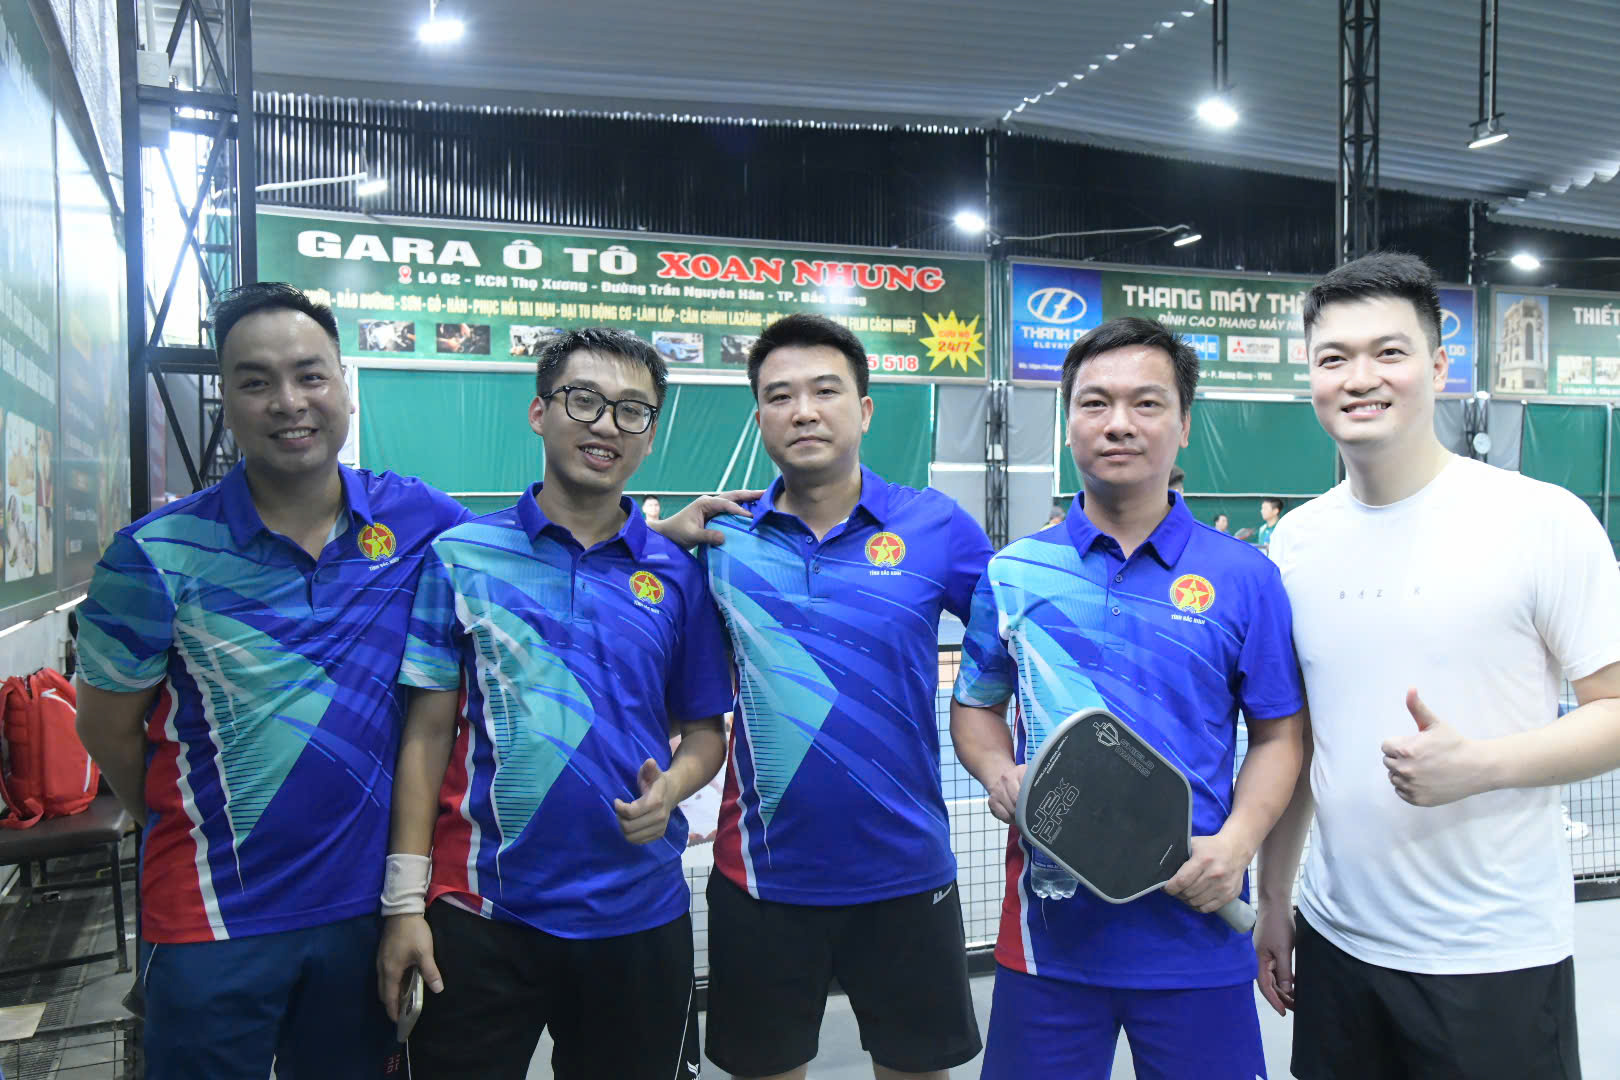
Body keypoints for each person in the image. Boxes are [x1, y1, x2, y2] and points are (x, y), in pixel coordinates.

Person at [73, 283, 471, 1079]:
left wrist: (659, 536)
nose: (289, 402)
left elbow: (526, 557)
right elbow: (106, 729)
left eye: (310, 375)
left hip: (365, 913)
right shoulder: (154, 553)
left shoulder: (421, 523)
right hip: (209, 915)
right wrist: (180, 817)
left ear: (344, 385)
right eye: (256, 381)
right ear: (227, 399)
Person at [1257, 252, 1620, 1080]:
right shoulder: (1296, 543)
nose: (1360, 378)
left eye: (1389, 352)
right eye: (1334, 358)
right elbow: (1301, 742)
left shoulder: (1540, 520)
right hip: (1338, 945)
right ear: (1311, 376)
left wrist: (1481, 765)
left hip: (1493, 956)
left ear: (1440, 367)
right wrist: (1275, 898)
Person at [951, 316, 1306, 1080]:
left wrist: (1238, 843)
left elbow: (1281, 736)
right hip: (1048, 939)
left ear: (1184, 424)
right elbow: (977, 703)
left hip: (1198, 932)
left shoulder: (1247, 577)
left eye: (1147, 403)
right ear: (1068, 423)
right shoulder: (1013, 572)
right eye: (1094, 403)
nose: (1119, 423)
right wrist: (998, 772)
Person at [375, 327, 733, 1079]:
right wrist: (404, 903)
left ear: (649, 436)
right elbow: (426, 736)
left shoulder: (677, 575)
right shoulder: (460, 557)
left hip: (638, 914)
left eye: (631, 411)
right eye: (584, 400)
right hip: (480, 914)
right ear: (539, 412)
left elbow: (706, 734)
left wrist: (671, 788)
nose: (606, 425)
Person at [701, 313, 991, 1080]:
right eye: (780, 396)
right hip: (760, 879)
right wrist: (661, 537)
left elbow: (1014, 643)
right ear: (758, 417)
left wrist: (1004, 757)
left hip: (906, 875)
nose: (803, 411)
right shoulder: (721, 541)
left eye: (825, 391)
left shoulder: (937, 527)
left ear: (864, 410)